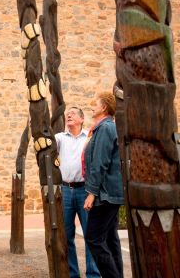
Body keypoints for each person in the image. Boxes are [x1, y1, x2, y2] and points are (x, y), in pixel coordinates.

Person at [55, 107, 100, 278]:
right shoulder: (59, 138)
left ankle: (93, 275)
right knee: (67, 237)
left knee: (91, 235)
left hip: (85, 190)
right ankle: (73, 274)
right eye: (68, 113)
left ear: (82, 119)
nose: (69, 115)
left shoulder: (90, 137)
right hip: (65, 190)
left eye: (73, 113)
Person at [83, 91, 124, 278]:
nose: (92, 106)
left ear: (104, 107)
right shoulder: (103, 128)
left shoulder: (106, 128)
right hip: (108, 193)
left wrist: (91, 192)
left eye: (95, 103)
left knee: (94, 238)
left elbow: (100, 162)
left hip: (105, 195)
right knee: (110, 239)